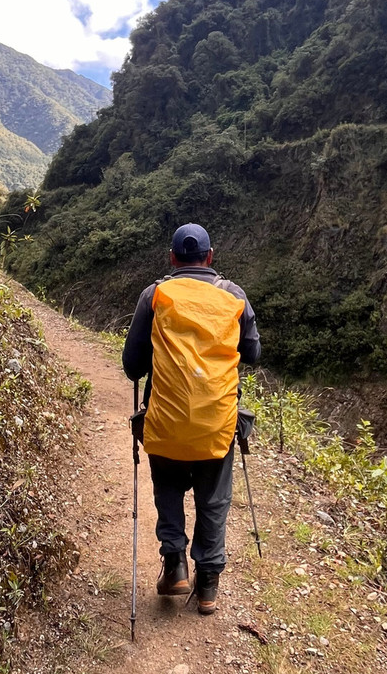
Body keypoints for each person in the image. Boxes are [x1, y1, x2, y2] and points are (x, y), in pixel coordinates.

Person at [122, 223, 261, 615]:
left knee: (168, 488)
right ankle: (209, 585)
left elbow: (132, 365)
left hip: (165, 421)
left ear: (172, 258)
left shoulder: (156, 295)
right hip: (217, 421)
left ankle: (176, 565)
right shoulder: (233, 295)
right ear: (210, 256)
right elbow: (252, 354)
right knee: (213, 500)